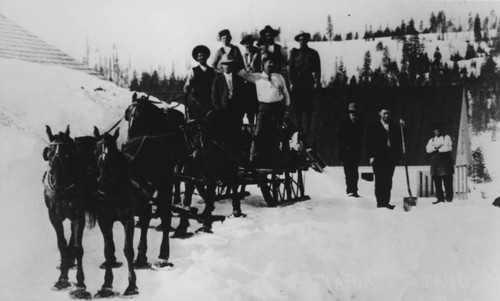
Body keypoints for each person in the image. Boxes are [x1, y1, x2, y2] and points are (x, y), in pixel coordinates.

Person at [238, 56, 290, 167]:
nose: (270, 65)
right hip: (263, 108)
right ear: (263, 64)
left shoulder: (279, 77)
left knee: (276, 134)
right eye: (268, 63)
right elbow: (241, 74)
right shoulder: (257, 76)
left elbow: (285, 92)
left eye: (272, 63)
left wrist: (287, 107)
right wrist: (246, 69)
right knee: (258, 133)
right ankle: (254, 159)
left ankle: (273, 159)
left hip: (277, 108)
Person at [367, 105, 403, 209]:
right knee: (379, 180)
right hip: (378, 157)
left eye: (388, 113)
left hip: (390, 157)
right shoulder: (373, 127)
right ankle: (380, 202)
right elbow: (369, 143)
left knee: (388, 180)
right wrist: (371, 156)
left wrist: (403, 127)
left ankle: (386, 202)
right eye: (384, 113)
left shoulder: (394, 126)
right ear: (379, 113)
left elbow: (402, 138)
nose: (386, 115)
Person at [288, 31, 321, 140]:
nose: (302, 41)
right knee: (297, 110)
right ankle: (299, 132)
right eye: (300, 39)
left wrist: (317, 81)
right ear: (298, 41)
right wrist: (291, 82)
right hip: (297, 84)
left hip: (308, 84)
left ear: (307, 40)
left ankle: (307, 133)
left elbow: (317, 69)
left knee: (308, 109)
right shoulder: (294, 53)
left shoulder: (313, 53)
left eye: (304, 39)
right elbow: (290, 69)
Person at [211, 55, 246, 151]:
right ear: (222, 66)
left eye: (230, 64)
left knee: (237, 132)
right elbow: (214, 98)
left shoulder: (239, 79)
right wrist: (219, 111)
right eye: (225, 64)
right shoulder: (217, 79)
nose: (228, 66)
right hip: (224, 110)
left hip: (236, 109)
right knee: (225, 133)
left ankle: (237, 157)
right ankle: (226, 157)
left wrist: (241, 110)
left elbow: (243, 96)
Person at [183, 45, 216, 120]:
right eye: (200, 56)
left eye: (204, 55)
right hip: (197, 104)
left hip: (210, 103)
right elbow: (187, 87)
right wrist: (191, 98)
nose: (202, 57)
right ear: (197, 58)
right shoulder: (193, 71)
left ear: (207, 57)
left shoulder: (212, 71)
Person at [337, 102, 362, 197]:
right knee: (349, 172)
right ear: (349, 113)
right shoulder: (344, 124)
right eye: (351, 112)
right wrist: (344, 150)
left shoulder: (359, 124)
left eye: (355, 113)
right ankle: (350, 190)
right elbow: (340, 138)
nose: (353, 114)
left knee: (355, 172)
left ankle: (354, 190)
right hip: (347, 153)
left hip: (356, 152)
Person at [426, 122, 454, 204]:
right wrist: (437, 146)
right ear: (433, 131)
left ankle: (449, 199)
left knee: (447, 182)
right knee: (437, 183)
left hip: (445, 164)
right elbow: (428, 149)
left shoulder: (446, 137)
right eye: (435, 129)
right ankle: (440, 199)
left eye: (439, 129)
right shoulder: (431, 140)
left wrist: (435, 148)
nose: (437, 131)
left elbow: (446, 148)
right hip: (435, 164)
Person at [240, 35, 259, 125]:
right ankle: (251, 127)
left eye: (249, 43)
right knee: (249, 109)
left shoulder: (258, 54)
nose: (248, 45)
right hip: (246, 86)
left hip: (257, 85)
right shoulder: (243, 56)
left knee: (258, 108)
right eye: (246, 44)